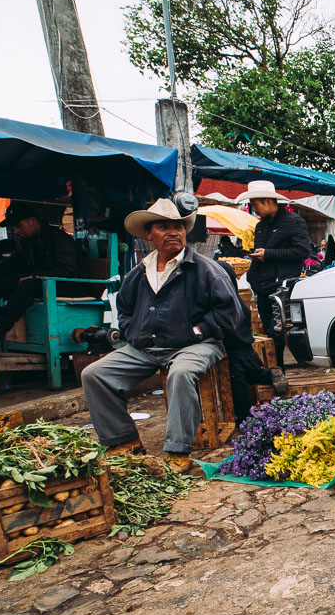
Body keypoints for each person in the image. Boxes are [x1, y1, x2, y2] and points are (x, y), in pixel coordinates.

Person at [80, 199, 242, 474]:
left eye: (178, 227)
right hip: (148, 347)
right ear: (149, 234)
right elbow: (126, 312)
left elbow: (230, 315)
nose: (173, 232)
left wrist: (195, 331)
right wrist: (134, 333)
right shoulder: (138, 273)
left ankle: (178, 451)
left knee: (180, 374)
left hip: (196, 345)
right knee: (94, 374)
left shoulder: (205, 269)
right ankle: (124, 442)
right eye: (163, 227)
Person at [0, 202, 92, 340]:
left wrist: (34, 277)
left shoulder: (60, 240)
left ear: (32, 221)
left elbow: (67, 270)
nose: (16, 231)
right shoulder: (28, 242)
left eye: (19, 226)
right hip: (43, 283)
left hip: (71, 286)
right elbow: (10, 264)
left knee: (28, 285)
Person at [238, 180, 311, 384]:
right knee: (270, 334)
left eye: (255, 204)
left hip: (282, 288)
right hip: (262, 286)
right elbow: (262, 254)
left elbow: (302, 251)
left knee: (277, 332)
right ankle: (275, 374)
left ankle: (280, 374)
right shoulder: (260, 226)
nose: (254, 209)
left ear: (269, 201)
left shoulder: (294, 221)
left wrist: (268, 254)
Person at [212, 259, 287, 423]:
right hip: (246, 347)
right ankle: (270, 374)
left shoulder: (224, 303)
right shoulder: (235, 299)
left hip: (235, 349)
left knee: (238, 382)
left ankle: (243, 417)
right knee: (254, 374)